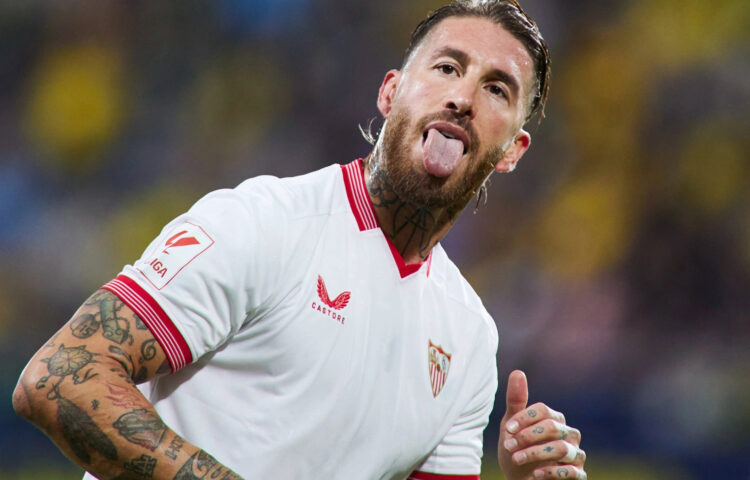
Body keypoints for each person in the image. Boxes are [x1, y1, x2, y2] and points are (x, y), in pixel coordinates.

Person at [13, 1, 587, 479]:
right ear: (390, 93)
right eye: (446, 67)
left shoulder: (469, 339)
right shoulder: (262, 223)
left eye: (496, 89)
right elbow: (59, 377)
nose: (462, 97)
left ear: (513, 151)